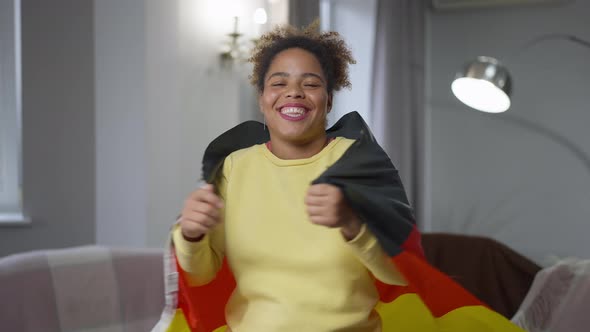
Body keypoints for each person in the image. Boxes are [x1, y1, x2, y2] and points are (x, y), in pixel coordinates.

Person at [164, 22, 524, 332]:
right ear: (261, 98)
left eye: (311, 83)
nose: (294, 92)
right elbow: (201, 276)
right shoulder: (231, 167)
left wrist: (353, 225)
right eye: (279, 83)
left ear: (329, 99)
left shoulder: (361, 163)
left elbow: (401, 274)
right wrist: (192, 236)